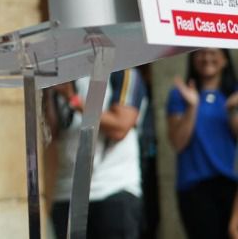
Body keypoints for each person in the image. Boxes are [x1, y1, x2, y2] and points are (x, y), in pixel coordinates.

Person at [45, 70, 147, 238]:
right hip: (66, 192)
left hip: (112, 188)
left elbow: (120, 127)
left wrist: (74, 100)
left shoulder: (123, 69)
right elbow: (51, 134)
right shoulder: (59, 71)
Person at [166, 48, 238, 237]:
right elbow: (178, 143)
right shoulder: (179, 95)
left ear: (224, 59)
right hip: (194, 187)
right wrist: (192, 106)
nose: (207, 58)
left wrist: (232, 110)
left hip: (230, 184)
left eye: (213, 53)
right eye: (200, 53)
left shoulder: (233, 94)